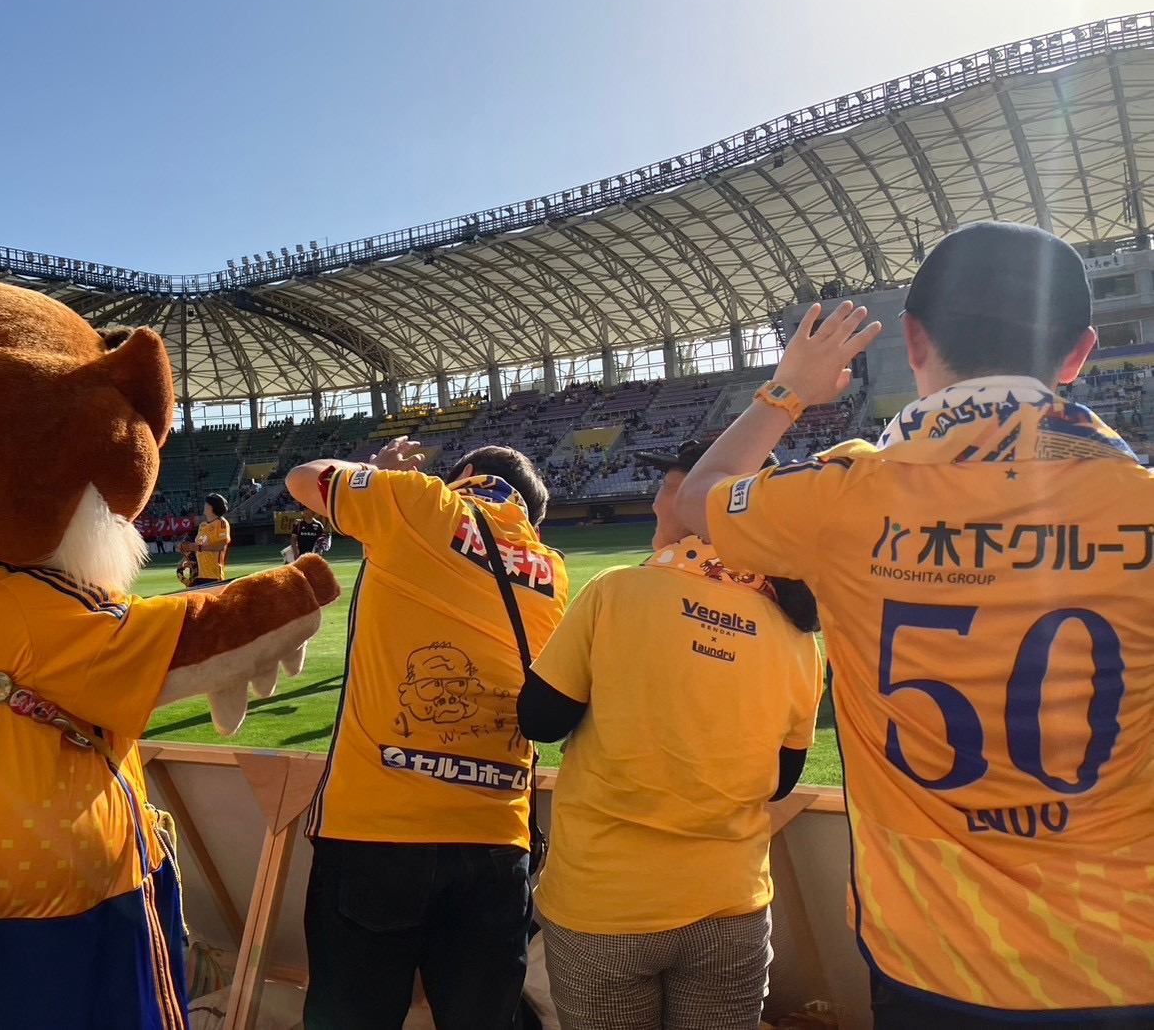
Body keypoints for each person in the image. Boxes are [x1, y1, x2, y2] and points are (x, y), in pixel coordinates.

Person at [675, 222, 1154, 1027]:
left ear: (913, 340)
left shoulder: (838, 497)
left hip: (928, 959)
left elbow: (696, 497)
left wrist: (786, 390)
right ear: (1077, 354)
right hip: (1124, 961)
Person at [517, 440, 822, 1030]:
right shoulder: (798, 639)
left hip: (604, 907)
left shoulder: (616, 591)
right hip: (730, 907)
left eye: (668, 487)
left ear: (703, 503)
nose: (658, 502)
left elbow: (540, 720)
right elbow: (781, 781)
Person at [285, 437, 570, 1030]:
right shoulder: (552, 570)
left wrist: (377, 472)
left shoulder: (420, 500)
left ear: (464, 475)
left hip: (377, 829)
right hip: (497, 839)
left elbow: (304, 477)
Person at [179, 494, 230, 587]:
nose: (204, 505)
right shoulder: (202, 525)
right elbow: (197, 547)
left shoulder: (221, 523)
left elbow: (222, 546)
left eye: (206, 503)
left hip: (213, 575)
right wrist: (185, 560)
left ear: (211, 507)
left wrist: (199, 547)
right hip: (197, 575)